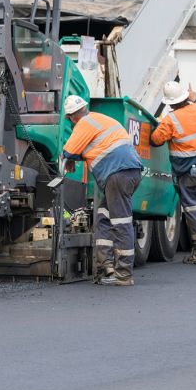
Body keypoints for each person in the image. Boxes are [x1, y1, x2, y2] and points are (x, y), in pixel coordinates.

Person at [61, 95, 144, 286]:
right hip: (131, 173)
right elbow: (98, 147)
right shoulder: (102, 119)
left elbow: (68, 151)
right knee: (104, 217)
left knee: (121, 223)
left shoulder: (84, 123)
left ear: (72, 117)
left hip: (117, 175)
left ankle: (123, 274)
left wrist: (70, 159)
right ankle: (105, 267)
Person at [151, 81, 196, 265]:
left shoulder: (170, 120)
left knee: (193, 209)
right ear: (185, 96)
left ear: (169, 103)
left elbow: (155, 139)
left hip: (189, 172)